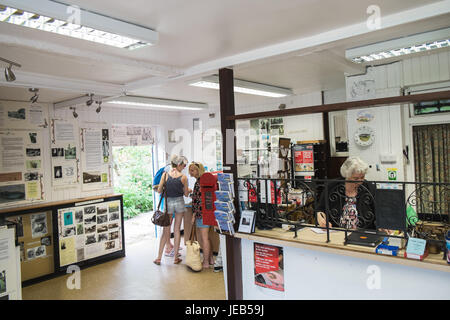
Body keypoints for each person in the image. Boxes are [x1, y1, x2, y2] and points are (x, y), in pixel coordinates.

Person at [316, 156, 377, 230]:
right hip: (336, 231)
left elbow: (378, 211)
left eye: (362, 177)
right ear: (347, 175)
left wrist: (381, 225)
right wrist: (321, 219)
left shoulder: (369, 187)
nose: (360, 181)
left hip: (363, 233)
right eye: (356, 178)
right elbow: (320, 209)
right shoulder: (332, 186)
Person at [153, 155, 191, 265]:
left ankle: (159, 257)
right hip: (179, 202)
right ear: (178, 164)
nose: (184, 168)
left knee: (166, 231)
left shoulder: (165, 175)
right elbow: (186, 194)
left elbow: (159, 190)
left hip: (168, 202)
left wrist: (166, 187)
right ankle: (175, 258)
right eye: (183, 165)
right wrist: (187, 189)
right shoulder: (183, 177)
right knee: (177, 229)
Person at [188, 161, 215, 269]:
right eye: (190, 170)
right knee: (207, 237)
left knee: (204, 238)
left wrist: (194, 215)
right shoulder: (204, 181)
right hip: (208, 212)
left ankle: (206, 262)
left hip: (201, 213)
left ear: (198, 170)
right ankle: (211, 258)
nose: (190, 172)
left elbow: (198, 200)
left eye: (192, 170)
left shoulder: (199, 183)